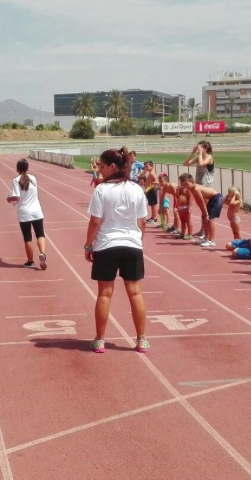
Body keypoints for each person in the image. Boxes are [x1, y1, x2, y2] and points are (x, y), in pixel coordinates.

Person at [85, 147, 149, 353]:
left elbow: (95, 221)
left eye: (102, 166)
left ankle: (100, 340)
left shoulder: (102, 190)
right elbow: (142, 222)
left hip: (106, 245)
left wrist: (88, 245)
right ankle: (141, 340)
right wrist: (138, 240)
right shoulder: (137, 189)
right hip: (132, 244)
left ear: (113, 167)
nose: (100, 170)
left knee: (105, 294)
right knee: (135, 293)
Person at [6, 159, 47, 269]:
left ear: (17, 169)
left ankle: (30, 261)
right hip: (37, 211)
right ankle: (42, 253)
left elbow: (16, 197)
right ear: (27, 168)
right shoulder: (33, 178)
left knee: (27, 237)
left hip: (24, 212)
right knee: (40, 234)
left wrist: (8, 198)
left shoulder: (16, 180)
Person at [181, 173, 223, 248]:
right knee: (204, 217)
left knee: (210, 219)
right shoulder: (192, 189)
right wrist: (204, 213)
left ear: (188, 182)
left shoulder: (196, 189)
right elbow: (198, 201)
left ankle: (212, 240)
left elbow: (202, 202)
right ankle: (206, 238)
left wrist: (206, 213)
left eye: (184, 185)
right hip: (211, 199)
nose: (184, 187)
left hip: (217, 198)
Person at [183, 140, 214, 237]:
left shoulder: (209, 157)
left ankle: (206, 232)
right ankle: (203, 230)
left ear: (205, 148)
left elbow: (201, 164)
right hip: (198, 185)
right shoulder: (198, 157)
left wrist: (200, 154)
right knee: (202, 209)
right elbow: (185, 163)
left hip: (206, 186)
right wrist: (192, 152)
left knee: (205, 209)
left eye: (200, 147)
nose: (198, 149)